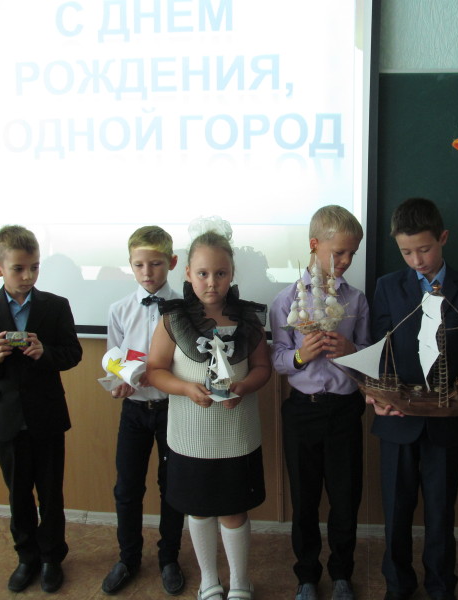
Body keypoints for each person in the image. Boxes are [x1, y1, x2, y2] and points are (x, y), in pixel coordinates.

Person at [366, 198, 458, 600]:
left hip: (448, 418)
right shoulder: (387, 287)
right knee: (396, 510)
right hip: (396, 417)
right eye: (406, 252)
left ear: (443, 238)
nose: (417, 261)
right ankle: (398, 585)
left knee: (441, 511)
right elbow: (379, 351)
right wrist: (376, 394)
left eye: (424, 249)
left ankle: (442, 586)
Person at [146, 217, 272, 600]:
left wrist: (244, 386)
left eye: (220, 273)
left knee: (234, 511)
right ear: (187, 273)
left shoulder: (248, 319)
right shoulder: (173, 319)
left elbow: (263, 368)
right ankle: (209, 581)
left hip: (236, 435)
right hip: (190, 437)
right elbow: (155, 370)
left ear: (232, 274)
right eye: (202, 273)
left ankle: (240, 581)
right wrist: (186, 388)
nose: (211, 282)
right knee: (198, 510)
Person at [0, 225, 83, 593]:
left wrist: (45, 353)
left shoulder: (55, 306)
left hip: (47, 413)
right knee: (18, 494)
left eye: (34, 267)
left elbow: (73, 353)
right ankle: (26, 557)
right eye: (19, 268)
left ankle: (51, 558)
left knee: (51, 493)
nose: (28, 276)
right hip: (4, 417)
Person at [269, 206, 371, 600]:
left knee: (345, 498)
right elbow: (278, 358)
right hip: (303, 410)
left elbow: (368, 356)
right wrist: (301, 355)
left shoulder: (356, 300)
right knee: (304, 498)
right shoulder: (285, 301)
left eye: (352, 254)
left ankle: (342, 572)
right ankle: (307, 576)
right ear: (314, 245)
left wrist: (350, 350)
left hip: (344, 410)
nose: (345, 261)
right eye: (339, 252)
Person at [101, 226, 186, 596]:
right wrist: (118, 382)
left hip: (174, 409)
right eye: (139, 265)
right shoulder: (119, 310)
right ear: (130, 265)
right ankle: (129, 558)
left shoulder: (185, 307)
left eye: (155, 264)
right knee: (127, 487)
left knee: (173, 487)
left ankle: (169, 558)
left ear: (172, 262)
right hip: (134, 411)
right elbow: (113, 361)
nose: (147, 272)